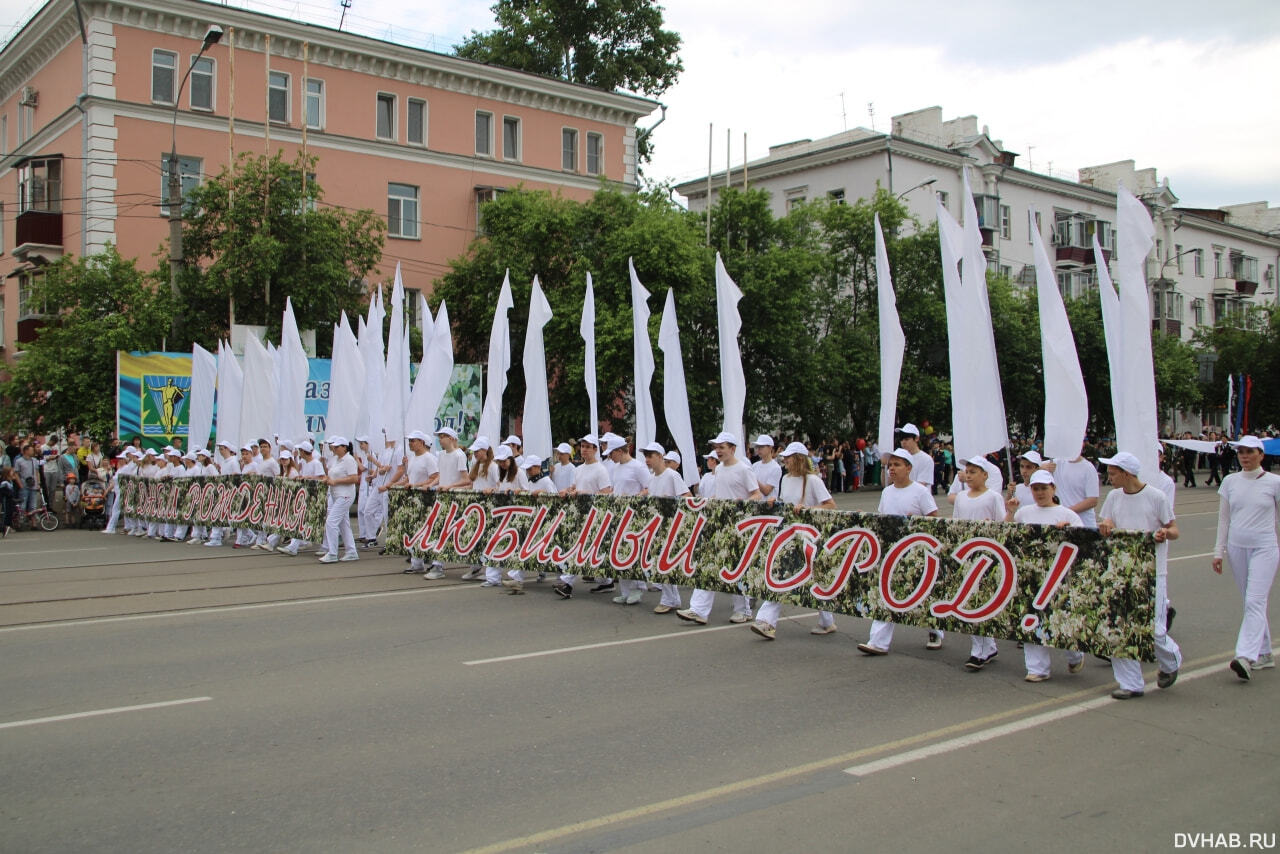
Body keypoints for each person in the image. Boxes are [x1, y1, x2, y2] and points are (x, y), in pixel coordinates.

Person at [1097, 452, 1181, 699]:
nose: (1109, 477)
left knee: (1153, 629)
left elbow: (1174, 529)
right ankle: (1130, 683)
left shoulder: (1156, 497)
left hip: (1153, 571)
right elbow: (1107, 521)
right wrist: (1107, 527)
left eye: (1113, 473)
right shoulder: (1113, 497)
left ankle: (1171, 661)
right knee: (1119, 626)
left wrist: (1164, 533)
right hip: (1121, 569)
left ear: (1126, 473)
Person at [750, 441, 837, 640]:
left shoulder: (813, 480)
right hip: (789, 536)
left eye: (789, 457)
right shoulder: (786, 478)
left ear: (798, 459)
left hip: (809, 537)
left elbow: (831, 505)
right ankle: (766, 621)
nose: (785, 461)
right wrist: (775, 502)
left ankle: (826, 621)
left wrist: (808, 510)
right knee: (781, 573)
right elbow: (785, 501)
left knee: (813, 577)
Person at [1007, 471, 1087, 681]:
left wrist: (1067, 532)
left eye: (1044, 488)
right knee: (1031, 618)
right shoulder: (1024, 513)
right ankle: (1037, 669)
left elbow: (1083, 544)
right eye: (1035, 489)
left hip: (1058, 575)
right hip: (1031, 574)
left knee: (1060, 619)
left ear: (1053, 489)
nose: (1040, 493)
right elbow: (1008, 535)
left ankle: (1075, 654)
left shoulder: (1068, 515)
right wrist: (1010, 511)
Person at [858, 449, 940, 655]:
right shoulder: (887, 492)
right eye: (890, 465)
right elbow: (882, 519)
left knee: (923, 593)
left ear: (909, 468)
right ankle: (878, 642)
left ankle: (935, 630)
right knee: (886, 594)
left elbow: (935, 519)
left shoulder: (920, 492)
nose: (892, 469)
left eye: (897, 465)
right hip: (891, 552)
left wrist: (916, 524)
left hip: (917, 552)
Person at [1211, 435, 1280, 680]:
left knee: (1255, 601)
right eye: (1241, 452)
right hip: (1237, 548)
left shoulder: (1274, 482)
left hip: (1265, 548)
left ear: (1261, 455)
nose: (1245, 456)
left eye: (1250, 452)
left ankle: (1245, 656)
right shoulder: (1230, 481)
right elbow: (1224, 518)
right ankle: (1264, 653)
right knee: (1250, 602)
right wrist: (1218, 551)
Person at [677, 432, 762, 626]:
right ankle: (698, 610)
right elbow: (721, 494)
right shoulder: (720, 470)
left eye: (721, 447)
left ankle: (743, 610)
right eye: (716, 447)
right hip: (720, 523)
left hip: (740, 526)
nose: (718, 451)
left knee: (735, 568)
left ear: (732, 449)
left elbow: (757, 495)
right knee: (708, 564)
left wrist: (743, 504)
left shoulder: (743, 469)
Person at [951, 456, 1006, 671]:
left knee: (980, 601)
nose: (969, 476)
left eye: (974, 472)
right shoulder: (962, 497)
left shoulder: (993, 497)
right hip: (966, 555)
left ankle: (980, 650)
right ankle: (985, 646)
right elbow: (955, 523)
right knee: (969, 601)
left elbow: (1002, 525)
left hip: (986, 557)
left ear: (985, 475)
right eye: (967, 472)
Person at [554, 435, 613, 599]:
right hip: (580, 514)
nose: (584, 450)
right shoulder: (579, 469)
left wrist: (588, 494)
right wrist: (568, 490)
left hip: (595, 515)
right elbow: (575, 486)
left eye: (588, 447)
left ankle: (567, 583)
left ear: (595, 450)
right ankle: (606, 581)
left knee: (580, 548)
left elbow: (607, 493)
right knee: (587, 549)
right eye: (582, 446)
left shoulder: (601, 469)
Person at [501, 456, 558, 594]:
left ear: (538, 467)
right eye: (527, 469)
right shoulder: (531, 481)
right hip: (534, 520)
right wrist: (521, 492)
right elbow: (529, 493)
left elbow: (555, 498)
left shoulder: (546, 481)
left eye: (531, 468)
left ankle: (560, 579)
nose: (528, 471)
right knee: (525, 548)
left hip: (546, 520)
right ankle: (517, 578)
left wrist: (543, 493)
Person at [606, 437, 653, 603]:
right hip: (618, 515)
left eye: (611, 453)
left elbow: (649, 488)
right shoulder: (615, 468)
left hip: (634, 516)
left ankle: (638, 588)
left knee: (633, 552)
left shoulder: (638, 467)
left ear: (620, 451)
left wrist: (634, 497)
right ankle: (625, 590)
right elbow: (615, 488)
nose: (610, 457)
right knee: (620, 553)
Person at [645, 448, 692, 614]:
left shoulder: (672, 475)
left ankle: (668, 599)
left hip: (671, 525)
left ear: (660, 457)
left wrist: (672, 501)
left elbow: (688, 496)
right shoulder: (651, 479)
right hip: (657, 526)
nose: (647, 460)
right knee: (661, 562)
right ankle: (672, 598)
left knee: (666, 562)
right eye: (645, 456)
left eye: (650, 456)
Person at [398, 430, 441, 575]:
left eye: (413, 441)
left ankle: (435, 563)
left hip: (427, 499)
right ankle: (416, 563)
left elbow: (435, 477)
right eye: (409, 441)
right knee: (413, 531)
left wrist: (417, 485)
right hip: (413, 499)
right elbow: (411, 478)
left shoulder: (429, 458)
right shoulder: (412, 458)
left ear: (421, 442)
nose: (410, 443)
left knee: (428, 531)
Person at [319, 437, 360, 563]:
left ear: (344, 447)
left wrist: (335, 481)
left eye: (337, 447)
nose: (334, 448)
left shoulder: (349, 460)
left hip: (345, 495)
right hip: (336, 495)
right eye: (333, 447)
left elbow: (354, 479)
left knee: (331, 522)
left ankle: (332, 553)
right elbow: (330, 474)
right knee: (344, 524)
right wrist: (327, 479)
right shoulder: (335, 460)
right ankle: (351, 551)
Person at [751, 435, 782, 502]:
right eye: (757, 447)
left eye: (762, 447)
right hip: (755, 505)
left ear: (770, 448)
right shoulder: (754, 465)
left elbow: (766, 491)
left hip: (769, 508)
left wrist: (751, 477)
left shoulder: (776, 468)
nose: (758, 449)